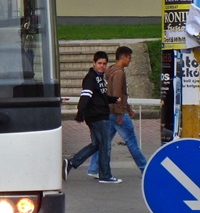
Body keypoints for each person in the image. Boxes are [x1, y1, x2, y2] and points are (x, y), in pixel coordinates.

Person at [86, 45, 149, 176]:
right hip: (117, 113)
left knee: (104, 142)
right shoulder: (119, 73)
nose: (130, 61)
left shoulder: (111, 71)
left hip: (110, 112)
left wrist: (128, 109)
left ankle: (93, 168)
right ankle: (145, 168)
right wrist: (121, 113)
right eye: (129, 58)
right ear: (123, 57)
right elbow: (118, 94)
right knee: (132, 142)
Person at [64, 51, 121, 183]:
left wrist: (113, 99)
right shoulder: (91, 78)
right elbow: (86, 96)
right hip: (98, 117)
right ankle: (105, 175)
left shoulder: (99, 78)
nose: (102, 66)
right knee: (105, 145)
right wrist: (80, 113)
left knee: (97, 144)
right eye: (99, 63)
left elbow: (100, 97)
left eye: (104, 64)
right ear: (94, 63)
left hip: (97, 115)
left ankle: (71, 163)